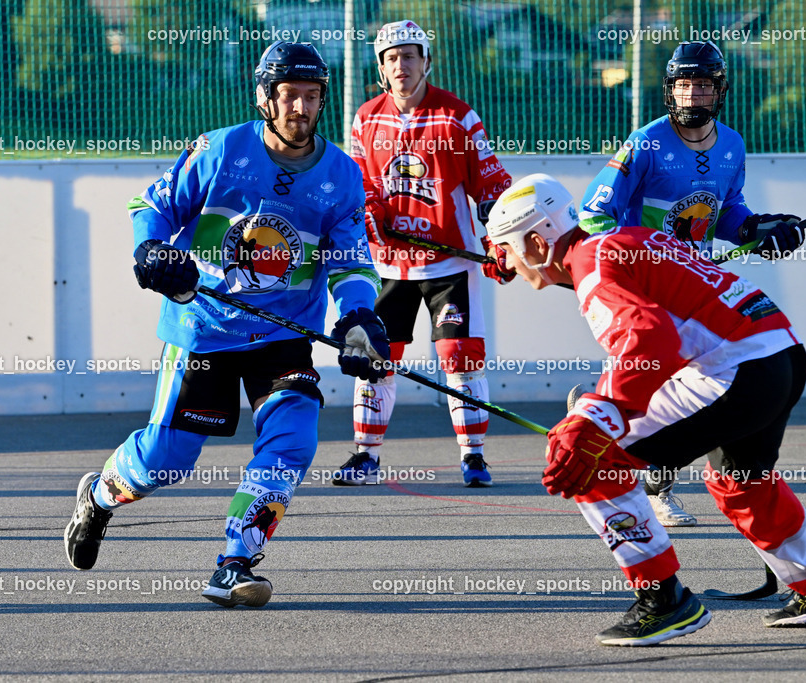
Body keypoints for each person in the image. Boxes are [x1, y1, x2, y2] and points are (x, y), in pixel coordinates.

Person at [63, 42, 391, 609]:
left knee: (292, 442)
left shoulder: (342, 174)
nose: (301, 108)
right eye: (289, 95)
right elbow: (152, 206)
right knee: (164, 464)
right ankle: (97, 496)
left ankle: (235, 562)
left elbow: (351, 262)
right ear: (265, 98)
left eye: (312, 96)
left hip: (283, 334)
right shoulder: (219, 149)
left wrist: (360, 317)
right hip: (204, 329)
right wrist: (153, 251)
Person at [486, 173, 806, 646]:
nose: (503, 262)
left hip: (736, 368)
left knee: (593, 458)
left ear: (538, 243)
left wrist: (596, 416)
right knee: (740, 479)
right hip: (779, 352)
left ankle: (663, 599)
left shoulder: (593, 264)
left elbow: (648, 341)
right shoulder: (619, 241)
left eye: (505, 249)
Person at [577, 40, 806, 526]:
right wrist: (629, 259)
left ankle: (648, 470)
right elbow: (594, 214)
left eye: (702, 86)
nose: (692, 95)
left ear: (719, 91)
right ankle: (642, 476)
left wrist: (760, 230)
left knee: (696, 384)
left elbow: (728, 211)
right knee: (660, 380)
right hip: (646, 283)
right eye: (684, 86)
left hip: (694, 286)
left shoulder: (732, 145)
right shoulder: (645, 142)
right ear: (670, 90)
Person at [336, 20, 514, 488]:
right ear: (381, 67)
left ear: (426, 61)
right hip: (387, 264)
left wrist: (500, 241)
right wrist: (371, 211)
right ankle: (366, 457)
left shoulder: (458, 117)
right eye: (392, 58)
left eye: (410, 56)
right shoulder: (365, 118)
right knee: (377, 358)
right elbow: (359, 181)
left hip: (450, 263)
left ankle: (474, 458)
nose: (402, 65)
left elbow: (492, 185)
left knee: (460, 357)